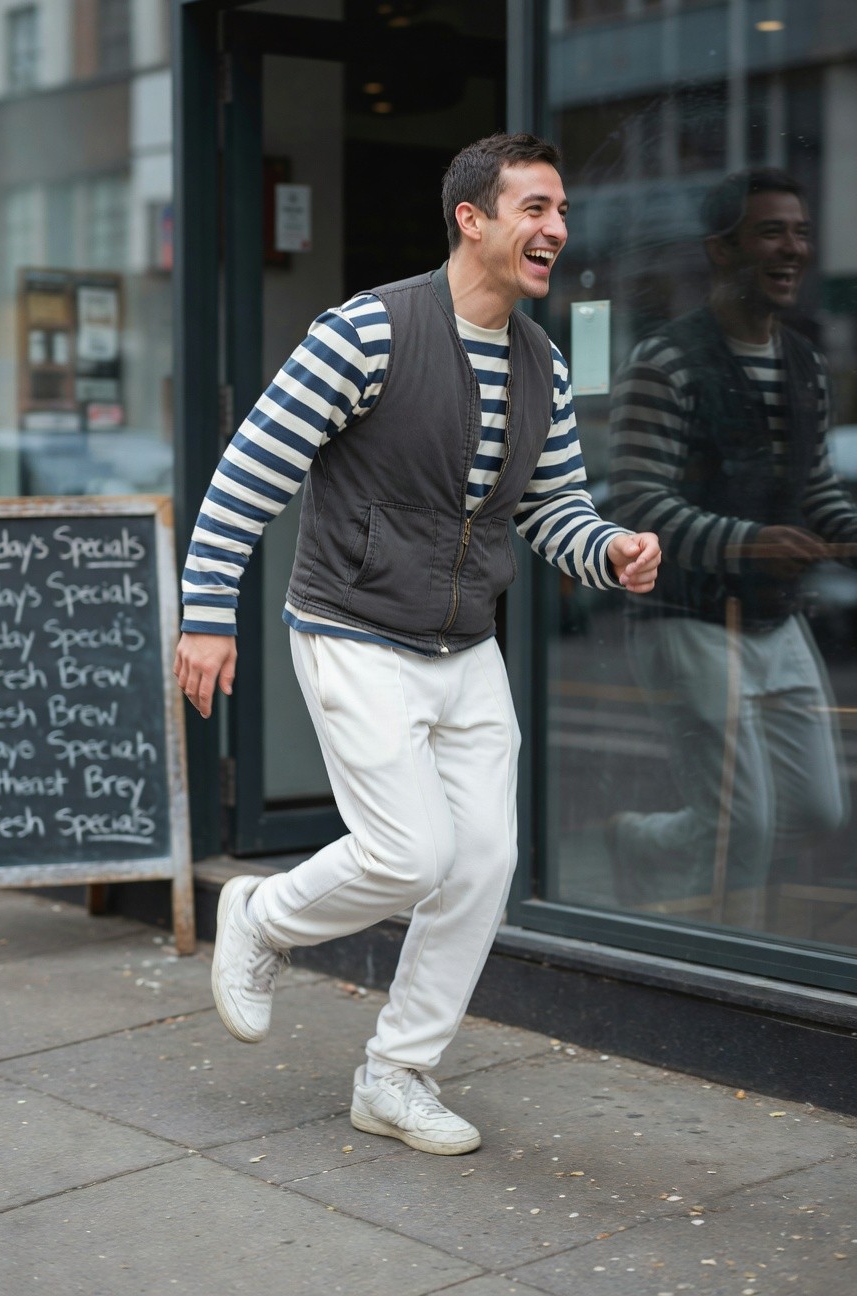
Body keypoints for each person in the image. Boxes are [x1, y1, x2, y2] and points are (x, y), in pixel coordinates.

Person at [174, 133, 661, 1156]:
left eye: (563, 211)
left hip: (463, 645)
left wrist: (608, 548)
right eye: (535, 209)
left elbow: (553, 509)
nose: (557, 230)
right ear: (471, 219)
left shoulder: (544, 365)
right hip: (353, 627)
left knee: (483, 861)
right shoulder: (366, 334)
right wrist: (209, 610)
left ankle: (397, 1073)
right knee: (409, 851)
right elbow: (250, 470)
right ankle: (261, 916)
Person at [608, 167, 855, 924]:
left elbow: (816, 488)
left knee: (818, 811)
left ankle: (646, 846)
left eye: (802, 232)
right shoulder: (667, 358)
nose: (793, 248)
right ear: (723, 251)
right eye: (771, 231)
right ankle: (724, 961)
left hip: (775, 619)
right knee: (740, 827)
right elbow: (636, 500)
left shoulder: (805, 365)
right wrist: (748, 544)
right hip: (687, 617)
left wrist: (844, 532)